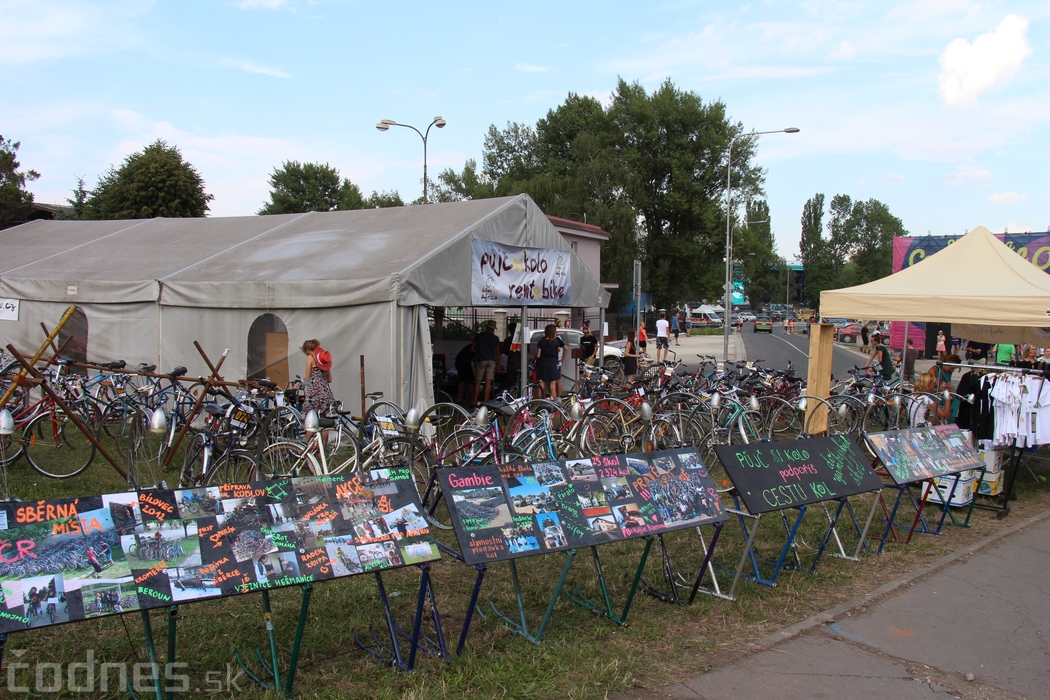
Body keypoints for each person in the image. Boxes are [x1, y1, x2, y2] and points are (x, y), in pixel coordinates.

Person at [300, 339, 334, 414]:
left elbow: (307, 377)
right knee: (324, 418)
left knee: (310, 416)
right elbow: (329, 379)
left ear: (307, 349)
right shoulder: (323, 359)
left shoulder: (310, 358)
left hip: (314, 392)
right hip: (326, 392)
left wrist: (299, 383)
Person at [472, 320, 501, 405]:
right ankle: (485, 402)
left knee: (478, 381)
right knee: (488, 382)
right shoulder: (496, 338)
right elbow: (498, 353)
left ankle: (474, 401)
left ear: (487, 327)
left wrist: (479, 352)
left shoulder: (479, 336)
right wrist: (498, 365)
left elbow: (472, 348)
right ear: (493, 329)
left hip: (481, 359)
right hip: (491, 360)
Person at [535, 324, 565, 399]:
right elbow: (558, 350)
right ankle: (554, 404)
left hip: (543, 363)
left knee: (542, 383)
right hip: (552, 363)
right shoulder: (555, 342)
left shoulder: (541, 342)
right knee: (552, 386)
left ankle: (540, 402)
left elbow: (538, 355)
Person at [454, 339, 476, 405]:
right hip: (465, 363)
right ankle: (472, 400)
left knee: (462, 380)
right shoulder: (477, 346)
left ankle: (458, 397)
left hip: (459, 362)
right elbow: (475, 361)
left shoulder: (469, 347)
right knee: (470, 381)